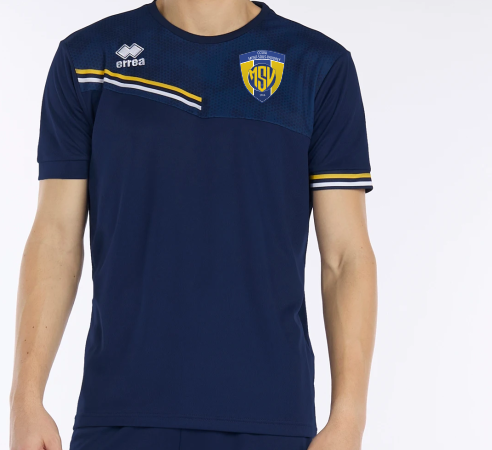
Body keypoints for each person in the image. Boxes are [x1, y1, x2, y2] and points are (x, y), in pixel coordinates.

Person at [9, 0, 377, 449]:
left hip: (269, 419)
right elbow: (55, 238)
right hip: (120, 415)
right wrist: (24, 399)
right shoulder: (88, 60)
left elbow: (345, 257)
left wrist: (349, 419)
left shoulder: (317, 66)